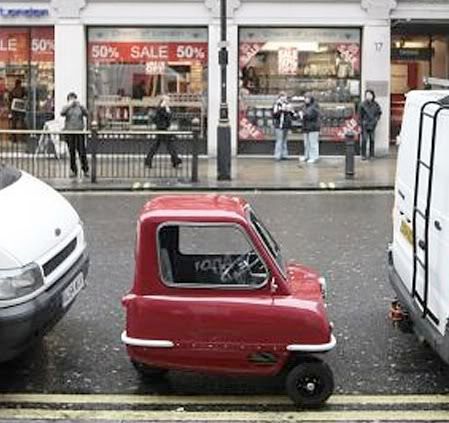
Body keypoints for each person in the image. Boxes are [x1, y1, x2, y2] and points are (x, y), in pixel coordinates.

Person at [144, 95, 182, 169]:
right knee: (169, 146)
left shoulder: (162, 108)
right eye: (167, 100)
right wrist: (167, 110)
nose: (168, 102)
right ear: (163, 101)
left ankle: (148, 161)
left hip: (162, 129)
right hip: (162, 130)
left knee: (157, 146)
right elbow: (168, 116)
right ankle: (175, 160)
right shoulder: (161, 109)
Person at [61, 92, 89, 178]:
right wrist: (69, 105)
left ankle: (85, 169)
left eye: (74, 98)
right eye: (71, 98)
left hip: (79, 133)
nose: (73, 100)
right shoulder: (66, 107)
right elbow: (62, 113)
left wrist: (81, 106)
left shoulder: (79, 107)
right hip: (70, 133)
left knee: (82, 152)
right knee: (71, 152)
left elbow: (86, 113)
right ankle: (73, 170)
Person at [359, 89, 382, 160]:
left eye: (370, 95)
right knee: (364, 140)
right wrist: (361, 123)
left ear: (373, 95)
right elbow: (360, 115)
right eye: (367, 95)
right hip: (365, 124)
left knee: (372, 140)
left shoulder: (376, 104)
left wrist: (376, 120)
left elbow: (379, 113)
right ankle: (363, 155)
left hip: (372, 124)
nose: (368, 96)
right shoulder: (362, 104)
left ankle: (372, 155)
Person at [272, 92, 295, 161]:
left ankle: (284, 155)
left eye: (285, 96)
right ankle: (277, 155)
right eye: (282, 96)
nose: (284, 98)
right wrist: (282, 110)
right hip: (279, 125)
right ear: (279, 97)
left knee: (284, 140)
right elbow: (274, 115)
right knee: (279, 140)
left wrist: (290, 111)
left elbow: (293, 115)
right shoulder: (277, 104)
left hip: (286, 125)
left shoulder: (288, 104)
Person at [300, 94, 321, 164]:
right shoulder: (304, 106)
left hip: (313, 127)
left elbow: (310, 116)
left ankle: (314, 157)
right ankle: (307, 156)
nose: (306, 100)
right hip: (306, 127)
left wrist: (303, 115)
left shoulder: (315, 106)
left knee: (313, 143)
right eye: (305, 98)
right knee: (306, 143)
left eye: (307, 98)